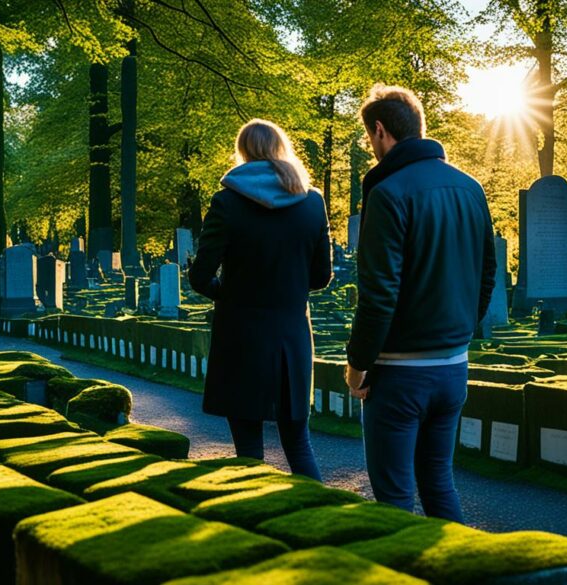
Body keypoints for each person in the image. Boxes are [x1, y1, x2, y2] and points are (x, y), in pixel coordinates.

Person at [344, 85, 496, 522]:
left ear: (379, 130)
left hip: (398, 373)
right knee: (439, 482)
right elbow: (487, 274)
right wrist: (462, 332)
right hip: (453, 367)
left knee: (393, 500)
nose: (370, 148)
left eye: (369, 139)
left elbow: (378, 295)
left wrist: (358, 366)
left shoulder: (387, 193)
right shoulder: (471, 188)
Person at [189, 119, 332, 481]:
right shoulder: (313, 203)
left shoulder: (227, 202)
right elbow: (321, 277)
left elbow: (200, 276)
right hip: (291, 335)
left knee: (248, 451)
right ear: (281, 149)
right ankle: (318, 521)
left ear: (244, 153)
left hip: (241, 336)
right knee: (299, 444)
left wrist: (235, 295)